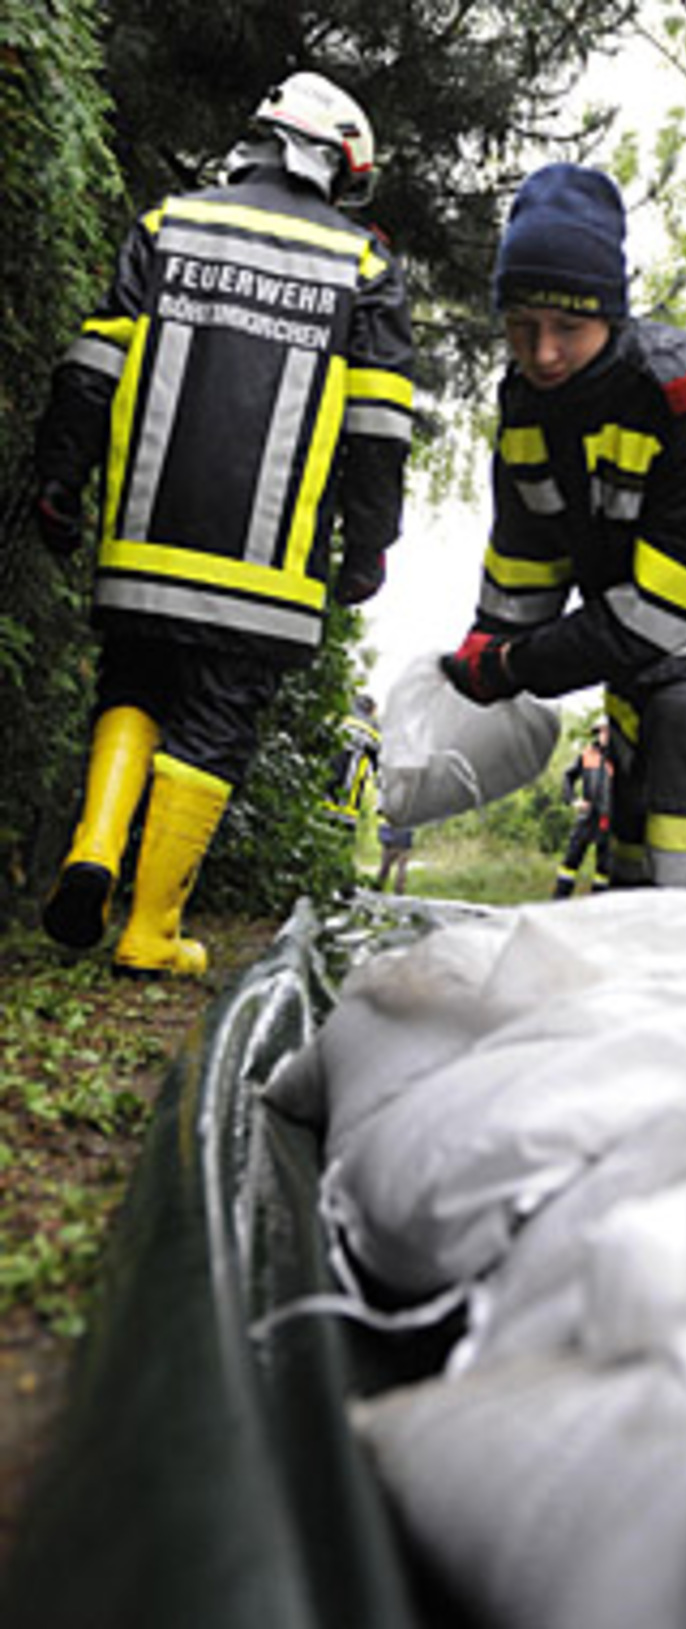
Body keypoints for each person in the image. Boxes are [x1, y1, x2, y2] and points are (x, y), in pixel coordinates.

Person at [34, 72, 414, 976]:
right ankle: (150, 930)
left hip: (141, 539)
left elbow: (91, 366)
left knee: (131, 689)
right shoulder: (362, 268)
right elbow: (378, 429)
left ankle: (94, 851)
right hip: (264, 570)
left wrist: (59, 479)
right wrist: (367, 547)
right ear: (337, 165)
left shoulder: (166, 226)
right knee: (213, 723)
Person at [441, 163, 686, 893]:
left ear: (612, 316)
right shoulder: (526, 406)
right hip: (641, 587)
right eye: (523, 327)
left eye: (568, 328)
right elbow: (525, 557)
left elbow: (662, 613)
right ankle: (626, 910)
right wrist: (485, 644)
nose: (544, 352)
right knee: (632, 740)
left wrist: (516, 665)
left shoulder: (679, 393)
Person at [554, 720, 614, 897]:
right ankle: (559, 901)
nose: (605, 735)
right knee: (570, 860)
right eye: (602, 732)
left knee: (604, 869)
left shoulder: (621, 757)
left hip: (610, 819)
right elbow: (568, 776)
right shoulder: (587, 754)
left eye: (608, 732)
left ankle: (598, 905)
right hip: (587, 817)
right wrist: (573, 800)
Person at [324, 692, 381, 829]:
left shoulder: (340, 718)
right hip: (352, 784)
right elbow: (378, 757)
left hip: (329, 776)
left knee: (326, 812)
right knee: (346, 820)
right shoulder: (373, 727)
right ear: (370, 709)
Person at [375, 821, 414, 895]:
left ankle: (380, 886)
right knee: (397, 869)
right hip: (397, 847)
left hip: (394, 847)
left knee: (389, 868)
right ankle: (397, 890)